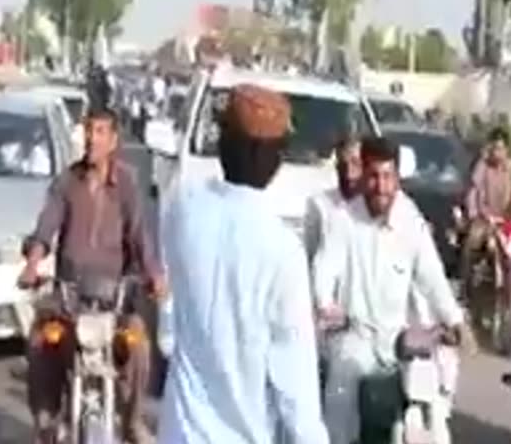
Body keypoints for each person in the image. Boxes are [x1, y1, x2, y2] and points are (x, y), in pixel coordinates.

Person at [159, 85, 327, 444]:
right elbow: (294, 379)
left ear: (223, 145)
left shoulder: (182, 210)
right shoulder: (282, 250)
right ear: (276, 160)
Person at [18, 107, 164, 443]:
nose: (91, 139)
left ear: (113, 141)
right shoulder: (67, 181)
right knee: (43, 340)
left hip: (115, 300)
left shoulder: (126, 184)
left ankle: (131, 420)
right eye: (88, 131)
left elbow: (140, 237)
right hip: (69, 297)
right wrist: (32, 264)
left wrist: (154, 275)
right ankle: (47, 421)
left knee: (138, 343)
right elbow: (46, 228)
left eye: (100, 132)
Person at [315, 136, 470, 444]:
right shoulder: (343, 220)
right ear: (363, 178)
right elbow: (322, 272)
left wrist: (454, 322)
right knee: (340, 402)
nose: (381, 186)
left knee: (433, 415)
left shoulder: (410, 220)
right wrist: (326, 305)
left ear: (398, 178)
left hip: (398, 343)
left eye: (388, 177)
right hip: (353, 337)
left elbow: (432, 277)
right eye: (373, 176)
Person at [460, 126, 511, 288]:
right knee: (471, 245)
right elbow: (473, 191)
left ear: (507, 150)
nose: (496, 153)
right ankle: (466, 285)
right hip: (484, 221)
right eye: (493, 148)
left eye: (500, 148)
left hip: (507, 222)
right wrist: (474, 215)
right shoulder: (483, 166)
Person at [304, 137, 363, 259]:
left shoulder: (387, 209)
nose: (349, 174)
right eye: (342, 165)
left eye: (356, 164)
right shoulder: (320, 207)